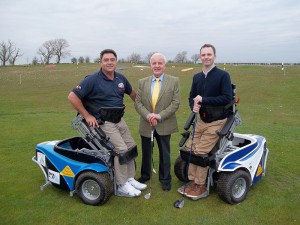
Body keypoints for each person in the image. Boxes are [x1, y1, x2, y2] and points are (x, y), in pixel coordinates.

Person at [68, 49, 146, 197]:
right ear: (101, 62)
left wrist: (145, 110)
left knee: (130, 147)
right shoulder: (92, 80)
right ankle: (121, 185)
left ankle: (129, 178)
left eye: (112, 59)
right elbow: (72, 97)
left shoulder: (121, 79)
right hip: (103, 122)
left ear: (116, 62)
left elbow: (133, 94)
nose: (109, 62)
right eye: (106, 60)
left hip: (118, 119)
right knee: (121, 150)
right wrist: (87, 115)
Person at [180, 44, 232, 199]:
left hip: (217, 120)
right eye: (203, 55)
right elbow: (192, 97)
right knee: (190, 148)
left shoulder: (223, 75)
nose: (206, 57)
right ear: (200, 57)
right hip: (201, 119)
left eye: (209, 54)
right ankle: (192, 182)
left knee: (201, 151)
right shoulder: (197, 77)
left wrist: (204, 99)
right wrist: (193, 105)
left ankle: (200, 185)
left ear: (214, 56)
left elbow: (227, 98)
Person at [135, 53, 180, 191]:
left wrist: (159, 116)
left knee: (164, 153)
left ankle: (165, 178)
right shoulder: (142, 82)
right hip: (146, 123)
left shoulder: (174, 81)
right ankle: (145, 175)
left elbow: (175, 103)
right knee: (146, 151)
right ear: (150, 65)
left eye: (160, 63)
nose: (157, 66)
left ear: (164, 65)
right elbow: (138, 103)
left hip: (164, 123)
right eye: (154, 63)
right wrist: (149, 115)